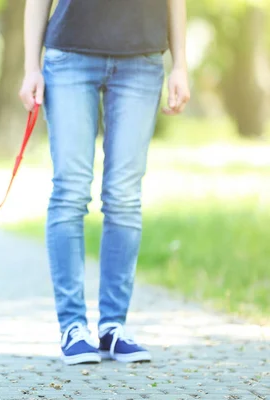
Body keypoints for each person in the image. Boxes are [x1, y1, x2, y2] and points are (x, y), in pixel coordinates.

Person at [18, 0, 190, 365]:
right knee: (70, 191)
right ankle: (73, 327)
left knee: (124, 196)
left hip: (142, 59)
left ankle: (113, 327)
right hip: (68, 57)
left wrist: (182, 66)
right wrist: (30, 67)